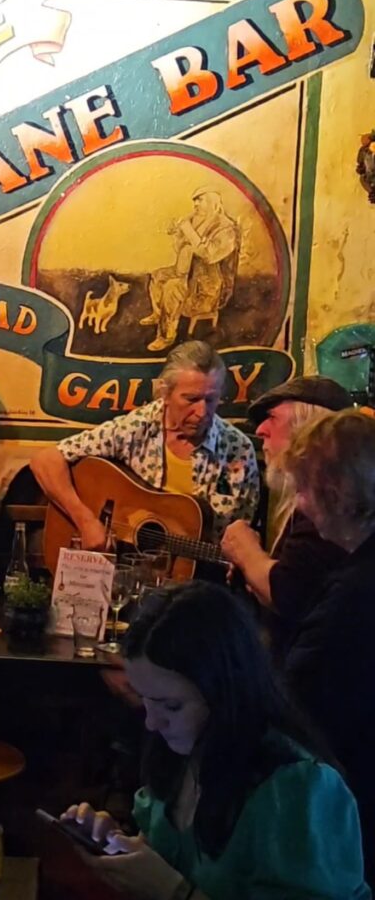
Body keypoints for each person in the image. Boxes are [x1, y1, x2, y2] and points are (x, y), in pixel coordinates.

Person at [62, 581, 370, 900]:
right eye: (144, 699)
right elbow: (173, 859)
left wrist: (174, 891)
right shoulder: (184, 753)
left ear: (227, 691)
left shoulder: (299, 789)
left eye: (171, 706)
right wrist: (121, 846)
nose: (152, 723)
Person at [31, 340, 259, 550]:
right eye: (191, 399)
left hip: (197, 576)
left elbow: (242, 537)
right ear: (165, 394)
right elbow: (45, 461)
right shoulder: (135, 428)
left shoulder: (237, 450)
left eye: (211, 400)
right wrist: (86, 521)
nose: (201, 412)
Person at [280, 409, 375, 884]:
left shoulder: (354, 596)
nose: (299, 506)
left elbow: (299, 707)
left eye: (302, 489)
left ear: (336, 494)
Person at [221, 375, 352, 643]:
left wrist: (245, 549)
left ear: (307, 427)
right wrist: (254, 570)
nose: (260, 430)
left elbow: (287, 593)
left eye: (272, 417)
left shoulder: (326, 504)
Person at [141, 188, 239, 351]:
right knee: (157, 276)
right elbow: (182, 248)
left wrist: (187, 230)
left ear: (212, 203)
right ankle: (159, 313)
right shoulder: (194, 219)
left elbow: (209, 255)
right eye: (195, 201)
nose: (195, 204)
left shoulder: (227, 229)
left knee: (171, 288)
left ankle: (165, 336)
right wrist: (176, 234)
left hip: (207, 286)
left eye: (200, 200)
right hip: (187, 273)